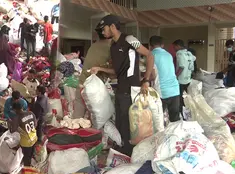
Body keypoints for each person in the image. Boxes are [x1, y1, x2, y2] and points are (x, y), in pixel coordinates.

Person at [92, 15, 154, 156]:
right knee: (120, 124)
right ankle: (122, 153)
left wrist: (146, 80)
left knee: (129, 125)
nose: (102, 32)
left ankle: (129, 154)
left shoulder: (129, 40)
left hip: (132, 89)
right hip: (120, 90)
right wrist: (100, 69)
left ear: (112, 26)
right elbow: (116, 71)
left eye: (104, 29)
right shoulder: (113, 46)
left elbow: (150, 56)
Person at [73, 27, 112, 119]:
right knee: (95, 120)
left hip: (81, 84)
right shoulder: (110, 48)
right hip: (93, 90)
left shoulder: (93, 46)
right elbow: (113, 71)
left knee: (77, 119)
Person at [149, 36, 180, 122]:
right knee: (175, 119)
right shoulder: (168, 55)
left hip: (162, 91)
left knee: (159, 120)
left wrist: (143, 78)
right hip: (174, 89)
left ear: (150, 46)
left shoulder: (151, 55)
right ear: (162, 45)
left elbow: (153, 76)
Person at [173, 39, 196, 117]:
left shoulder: (179, 53)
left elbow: (181, 66)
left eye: (175, 47)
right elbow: (194, 59)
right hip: (188, 78)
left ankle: (181, 113)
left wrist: (175, 76)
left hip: (181, 79)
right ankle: (187, 112)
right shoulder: (189, 53)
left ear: (178, 46)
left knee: (179, 98)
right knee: (185, 96)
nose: (174, 49)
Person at [9, 102, 37, 166]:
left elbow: (13, 130)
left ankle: (27, 168)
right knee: (31, 153)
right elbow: (35, 124)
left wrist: (11, 123)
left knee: (26, 156)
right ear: (22, 107)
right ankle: (31, 160)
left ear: (15, 110)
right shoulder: (31, 113)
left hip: (26, 141)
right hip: (34, 137)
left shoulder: (17, 118)